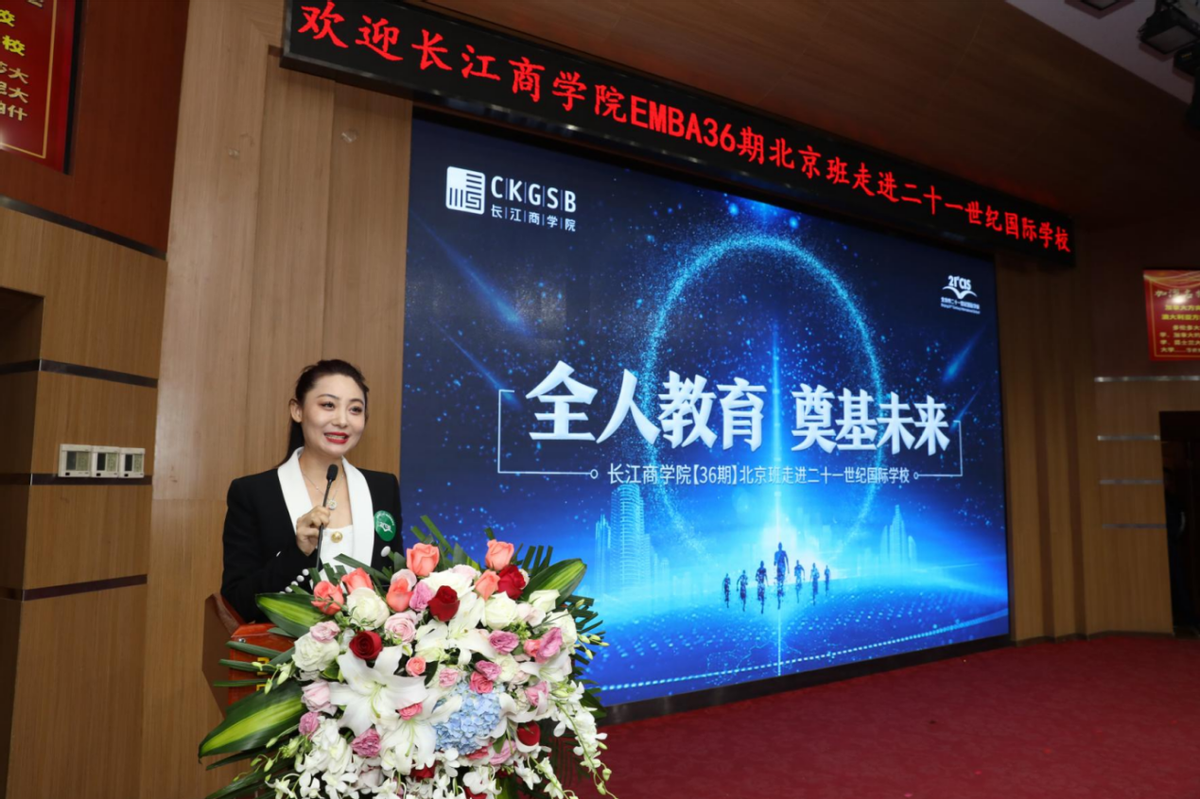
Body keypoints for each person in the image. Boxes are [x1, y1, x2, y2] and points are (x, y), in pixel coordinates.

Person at [220, 360, 402, 622]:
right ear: (297, 410)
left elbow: (394, 583)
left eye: (355, 409)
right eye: (328, 405)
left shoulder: (383, 488)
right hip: (285, 647)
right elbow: (237, 603)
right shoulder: (254, 493)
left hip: (368, 647)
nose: (342, 420)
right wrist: (296, 552)